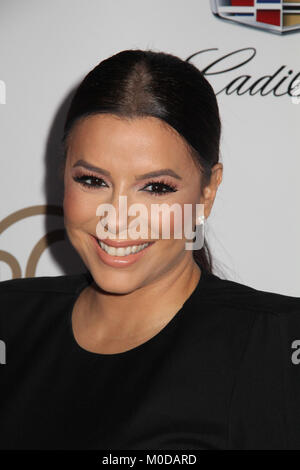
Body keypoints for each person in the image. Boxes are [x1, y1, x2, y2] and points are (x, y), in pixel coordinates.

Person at [0, 49, 300, 450]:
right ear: (62, 174)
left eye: (156, 188)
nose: (117, 218)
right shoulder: (9, 318)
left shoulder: (277, 342)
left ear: (207, 193)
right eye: (92, 180)